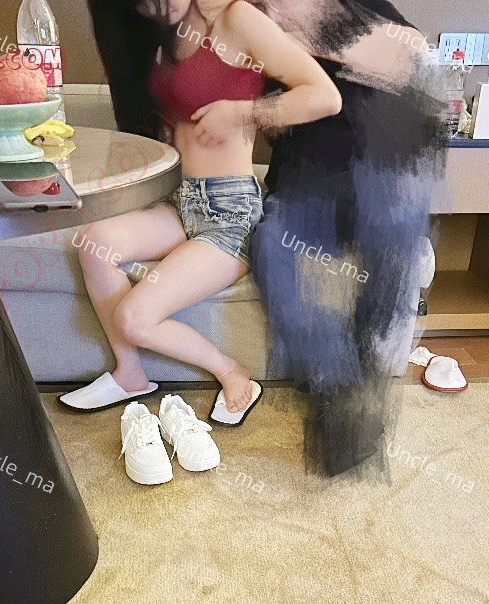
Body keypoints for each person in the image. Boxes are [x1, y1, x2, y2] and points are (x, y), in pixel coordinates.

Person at [60, 0, 342, 423]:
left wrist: (243, 112)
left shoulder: (236, 18)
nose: (159, 5)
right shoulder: (160, 38)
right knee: (93, 242)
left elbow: (325, 96)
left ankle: (231, 370)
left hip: (230, 213)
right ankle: (129, 374)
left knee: (134, 318)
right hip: (179, 200)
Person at [238, 0, 447, 475]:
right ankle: (337, 385)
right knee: (272, 246)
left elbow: (414, 53)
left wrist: (313, 37)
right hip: (302, 187)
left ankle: (368, 357)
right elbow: (266, 125)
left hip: (379, 179)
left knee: (396, 217)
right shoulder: (247, 23)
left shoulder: (351, 7)